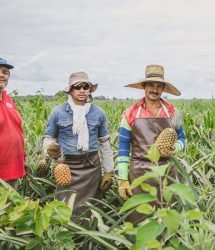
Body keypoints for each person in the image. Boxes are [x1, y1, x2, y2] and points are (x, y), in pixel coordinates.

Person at [117, 64, 186, 223]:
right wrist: (122, 179)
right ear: (144, 86)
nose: (154, 90)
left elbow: (183, 139)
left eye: (158, 86)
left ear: (163, 89)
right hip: (140, 173)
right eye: (150, 85)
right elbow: (123, 149)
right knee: (140, 219)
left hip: (167, 169)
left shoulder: (173, 112)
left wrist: (175, 148)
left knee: (167, 219)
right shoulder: (130, 113)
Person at [42, 71, 114, 217]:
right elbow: (49, 138)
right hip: (66, 166)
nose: (82, 90)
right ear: (70, 90)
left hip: (91, 166)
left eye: (85, 86)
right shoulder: (58, 112)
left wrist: (108, 171)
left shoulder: (98, 113)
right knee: (65, 206)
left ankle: (87, 237)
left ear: (89, 90)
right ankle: (66, 237)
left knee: (90, 207)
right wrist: (48, 149)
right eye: (77, 87)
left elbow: (105, 143)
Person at [0, 58, 27, 189]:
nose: (1, 75)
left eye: (5, 72)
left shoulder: (8, 99)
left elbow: (15, 130)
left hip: (12, 171)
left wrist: (23, 158)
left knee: (11, 209)